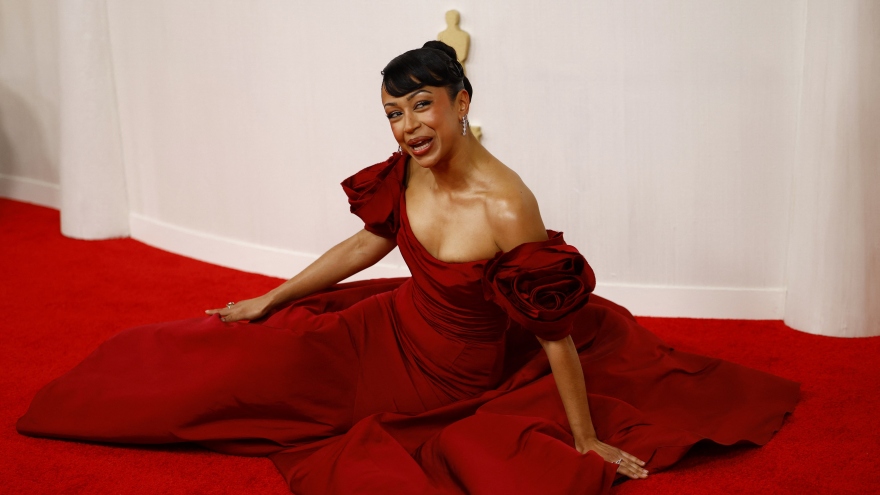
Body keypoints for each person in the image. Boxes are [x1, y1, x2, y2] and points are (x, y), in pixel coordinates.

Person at [17, 41, 799, 495]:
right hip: (382, 328)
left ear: (462, 100)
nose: (407, 126)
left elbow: (555, 334)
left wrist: (585, 436)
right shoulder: (410, 168)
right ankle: (87, 393)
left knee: (259, 404)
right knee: (232, 354)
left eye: (421, 105)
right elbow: (369, 243)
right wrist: (271, 296)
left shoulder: (507, 205)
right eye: (394, 112)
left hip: (442, 380)